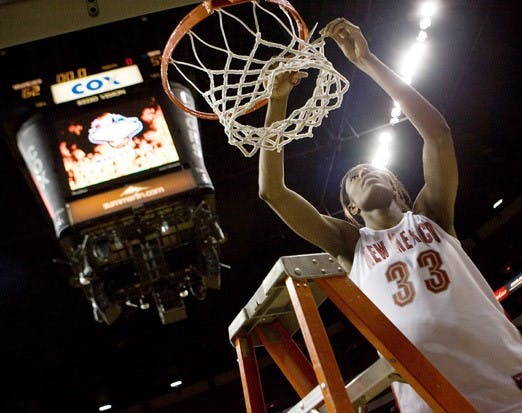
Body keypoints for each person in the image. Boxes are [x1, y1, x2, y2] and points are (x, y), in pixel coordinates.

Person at [258, 17, 522, 413]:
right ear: (350, 209)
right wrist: (277, 101)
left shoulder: (430, 215)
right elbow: (272, 192)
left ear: (397, 187)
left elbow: (438, 134)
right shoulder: (350, 245)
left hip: (505, 377)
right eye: (352, 178)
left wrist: (367, 60)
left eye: (371, 170)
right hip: (429, 401)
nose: (363, 171)